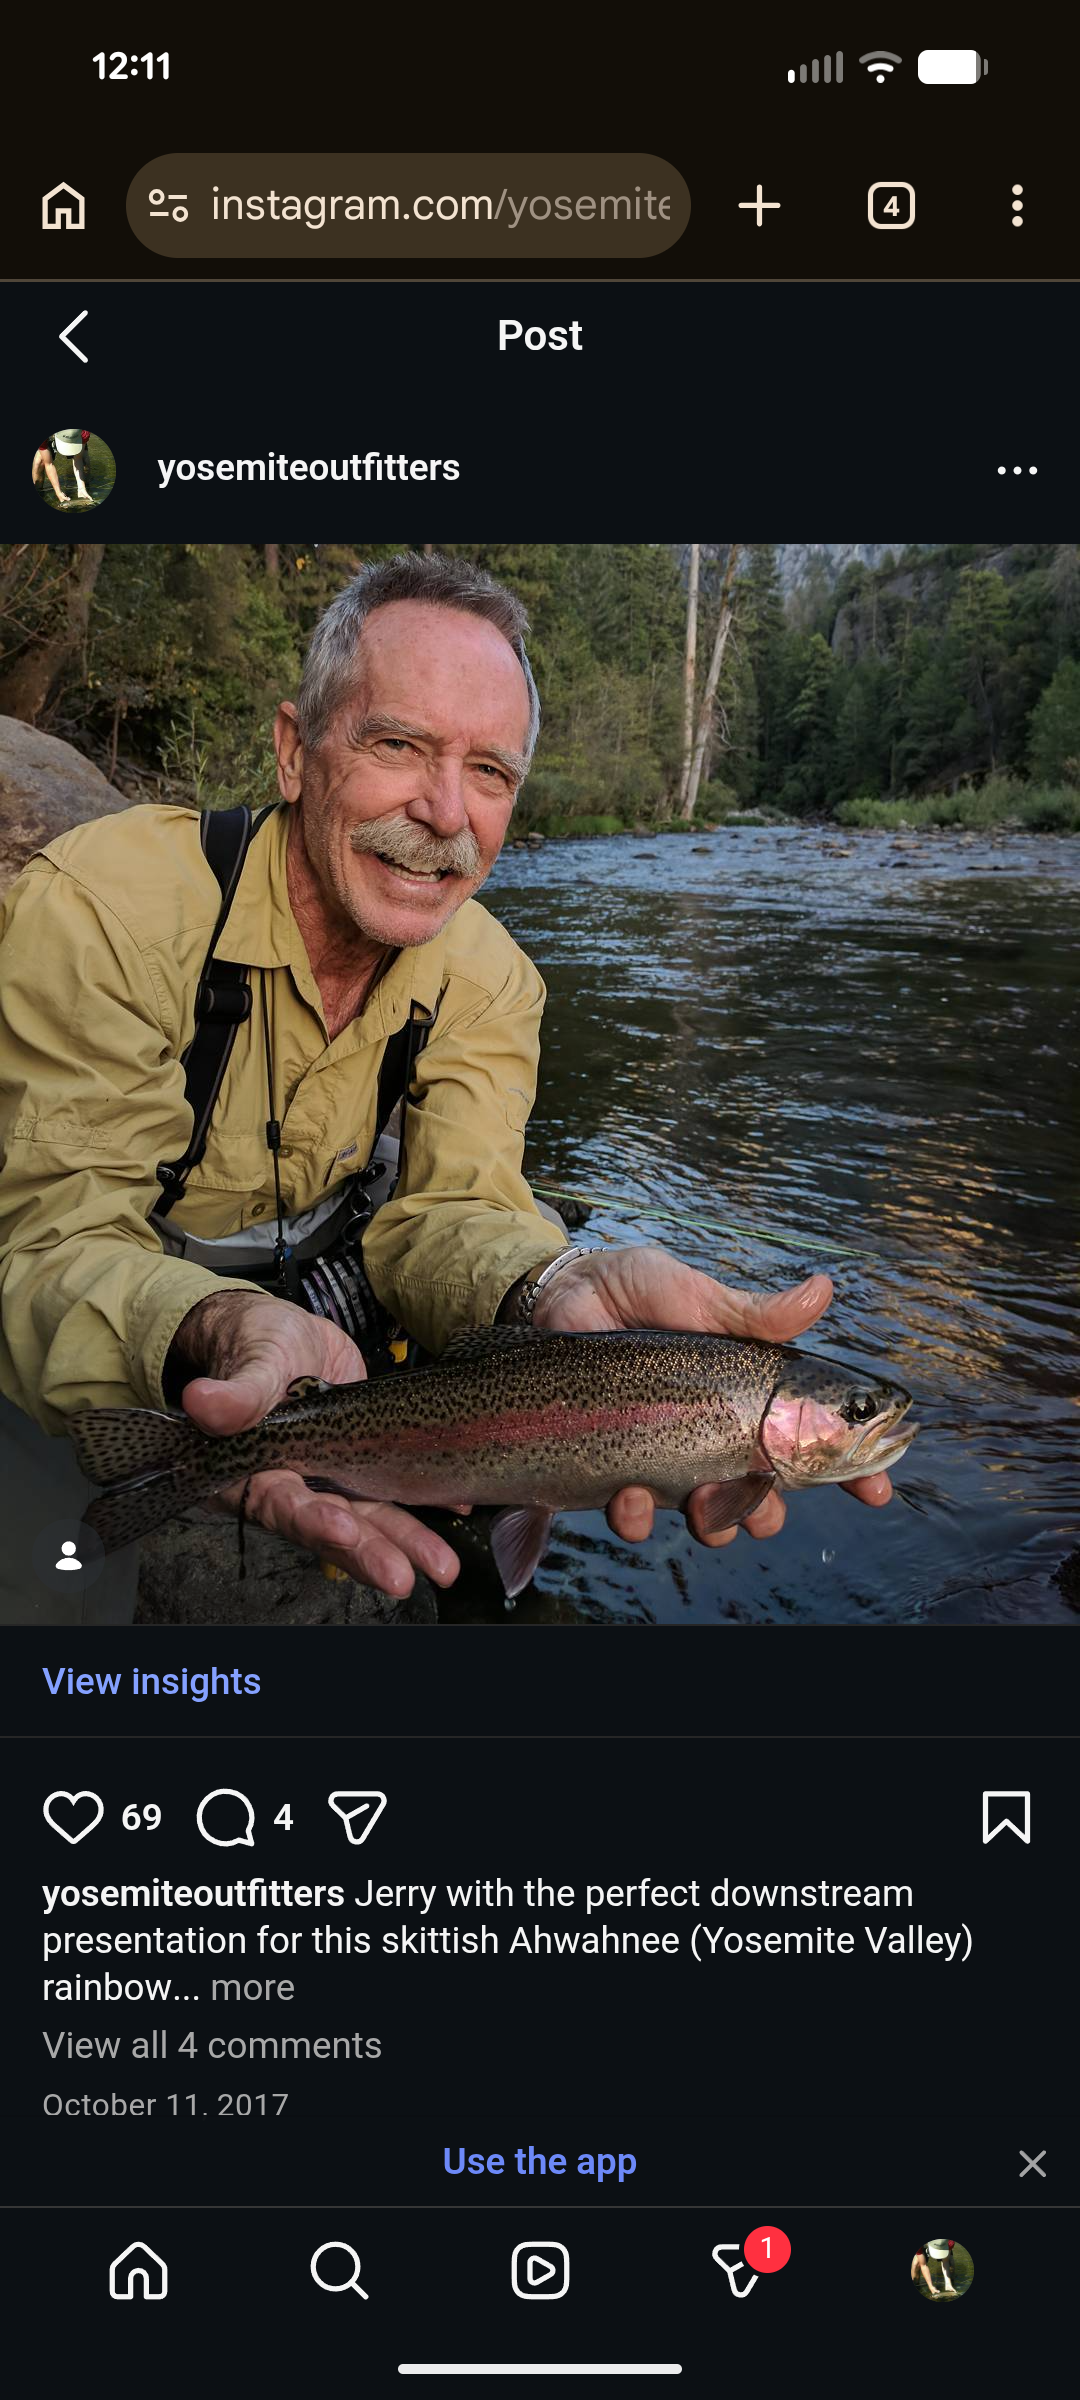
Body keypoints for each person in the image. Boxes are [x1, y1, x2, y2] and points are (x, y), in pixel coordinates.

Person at [0, 553, 894, 1625]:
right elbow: (46, 1244)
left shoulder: (494, 979)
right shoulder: (107, 912)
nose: (444, 812)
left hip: (312, 1289)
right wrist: (217, 1321)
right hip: (84, 1288)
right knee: (54, 1604)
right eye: (399, 745)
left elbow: (451, 1211)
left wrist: (550, 1286)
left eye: (491, 773)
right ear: (294, 752)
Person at [32, 431, 92, 506]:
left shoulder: (84, 433)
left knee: (84, 461)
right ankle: (39, 492)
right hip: (56, 436)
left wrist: (81, 487)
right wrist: (58, 491)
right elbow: (49, 464)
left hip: (77, 437)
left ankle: (86, 490)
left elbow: (78, 459)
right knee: (39, 462)